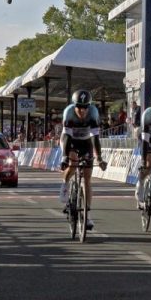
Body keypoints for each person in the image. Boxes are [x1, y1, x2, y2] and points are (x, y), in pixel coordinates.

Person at [58, 90, 108, 230]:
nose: (82, 110)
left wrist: (99, 157)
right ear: (75, 106)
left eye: (85, 107)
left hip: (86, 142)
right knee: (72, 163)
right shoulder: (68, 113)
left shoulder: (93, 113)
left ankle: (87, 215)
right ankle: (65, 183)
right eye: (79, 107)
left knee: (87, 178)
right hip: (70, 141)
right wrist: (64, 157)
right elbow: (67, 138)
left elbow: (95, 139)